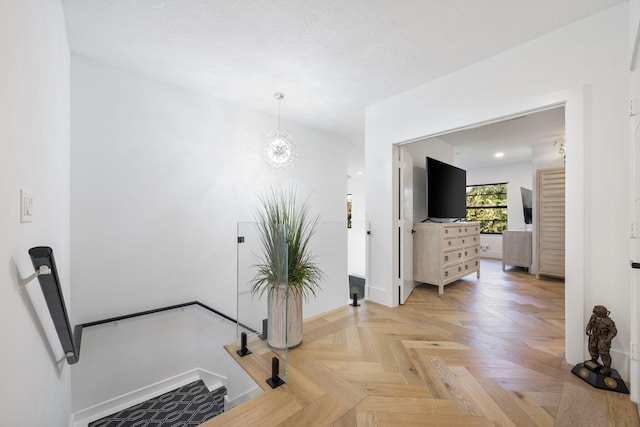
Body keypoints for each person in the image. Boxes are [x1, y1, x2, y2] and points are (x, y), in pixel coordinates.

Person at [585, 305, 617, 375]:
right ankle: (594, 360)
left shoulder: (609, 322)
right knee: (592, 347)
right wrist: (587, 329)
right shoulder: (593, 317)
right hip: (594, 335)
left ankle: (606, 367)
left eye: (596, 313)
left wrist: (608, 339)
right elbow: (590, 324)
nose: (595, 314)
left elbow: (613, 331)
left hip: (603, 338)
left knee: (603, 352)